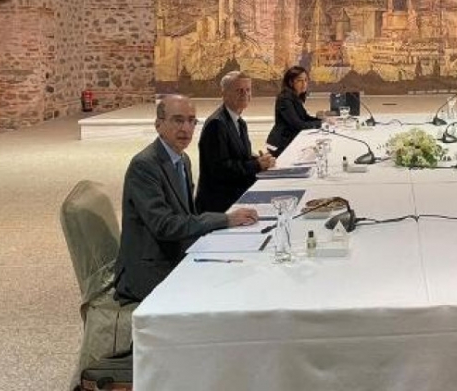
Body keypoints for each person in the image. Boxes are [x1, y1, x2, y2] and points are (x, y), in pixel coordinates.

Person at [114, 95, 258, 304]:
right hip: (150, 268)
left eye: (192, 121)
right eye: (178, 120)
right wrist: (225, 219)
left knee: (243, 269)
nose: (186, 128)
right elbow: (164, 225)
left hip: (178, 250)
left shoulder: (183, 159)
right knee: (224, 294)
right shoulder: (144, 166)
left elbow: (187, 216)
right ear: (158, 125)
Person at [195, 71, 276, 214]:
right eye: (239, 90)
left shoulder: (240, 122)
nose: (245, 94)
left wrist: (259, 159)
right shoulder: (216, 124)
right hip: (220, 205)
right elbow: (221, 169)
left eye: (248, 90)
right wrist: (257, 165)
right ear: (224, 93)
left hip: (236, 194)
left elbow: (240, 157)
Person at [266, 66, 323, 157]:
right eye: (300, 80)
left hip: (289, 141)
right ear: (291, 82)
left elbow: (305, 117)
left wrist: (323, 121)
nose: (304, 83)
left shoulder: (294, 97)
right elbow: (298, 125)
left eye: (305, 80)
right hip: (280, 144)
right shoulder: (285, 99)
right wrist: (321, 124)